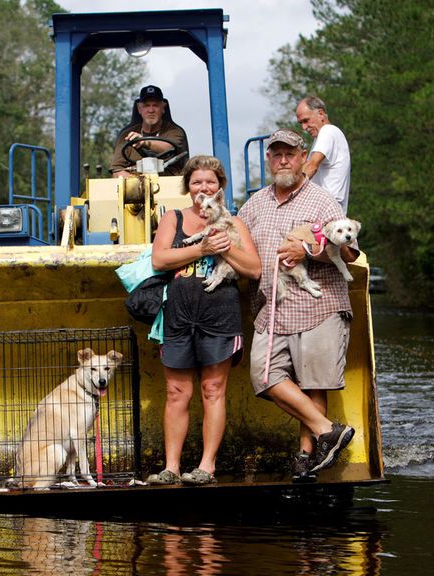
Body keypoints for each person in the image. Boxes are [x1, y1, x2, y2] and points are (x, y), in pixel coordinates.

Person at [237, 128, 359, 483]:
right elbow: (237, 243)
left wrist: (306, 250)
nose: (283, 160)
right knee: (265, 375)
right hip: (272, 307)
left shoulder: (322, 201)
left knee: (313, 382)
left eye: (290, 153)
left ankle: (306, 459)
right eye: (276, 154)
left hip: (317, 305)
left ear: (303, 157)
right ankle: (327, 430)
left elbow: (348, 251)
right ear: (268, 160)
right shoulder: (254, 204)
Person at [145, 155, 261, 485]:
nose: (203, 188)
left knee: (213, 389)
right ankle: (171, 467)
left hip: (219, 314)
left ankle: (206, 467)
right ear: (187, 187)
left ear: (220, 187)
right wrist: (201, 249)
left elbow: (253, 269)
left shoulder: (234, 223)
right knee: (176, 392)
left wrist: (224, 248)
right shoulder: (173, 218)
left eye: (210, 182)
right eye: (196, 182)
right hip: (179, 316)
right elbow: (159, 259)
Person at [110, 85, 190, 178]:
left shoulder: (175, 131)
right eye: (146, 105)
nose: (151, 110)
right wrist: (138, 183)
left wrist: (145, 142)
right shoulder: (126, 135)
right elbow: (116, 170)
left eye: (155, 105)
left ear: (163, 107)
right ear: (139, 108)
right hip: (134, 189)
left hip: (171, 186)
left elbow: (170, 147)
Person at [296, 96, 351, 213]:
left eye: (306, 121)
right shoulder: (326, 135)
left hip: (326, 212)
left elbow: (311, 166)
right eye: (301, 123)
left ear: (321, 114)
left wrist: (286, 191)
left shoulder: (328, 131)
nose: (303, 127)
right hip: (327, 210)